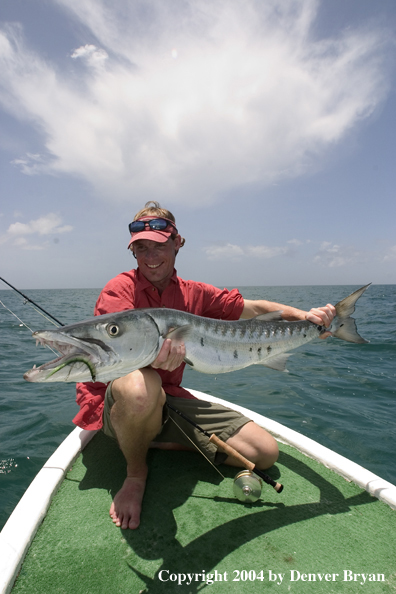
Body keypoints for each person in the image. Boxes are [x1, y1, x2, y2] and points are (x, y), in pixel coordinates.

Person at [73, 201, 336, 530]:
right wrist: (152, 359)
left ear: (177, 243)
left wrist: (309, 319)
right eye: (141, 248)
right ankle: (136, 473)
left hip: (168, 398)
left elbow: (254, 308)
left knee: (264, 452)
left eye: (158, 246)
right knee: (141, 383)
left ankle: (149, 437)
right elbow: (117, 355)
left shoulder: (194, 294)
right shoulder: (120, 289)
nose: (150, 257)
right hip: (120, 399)